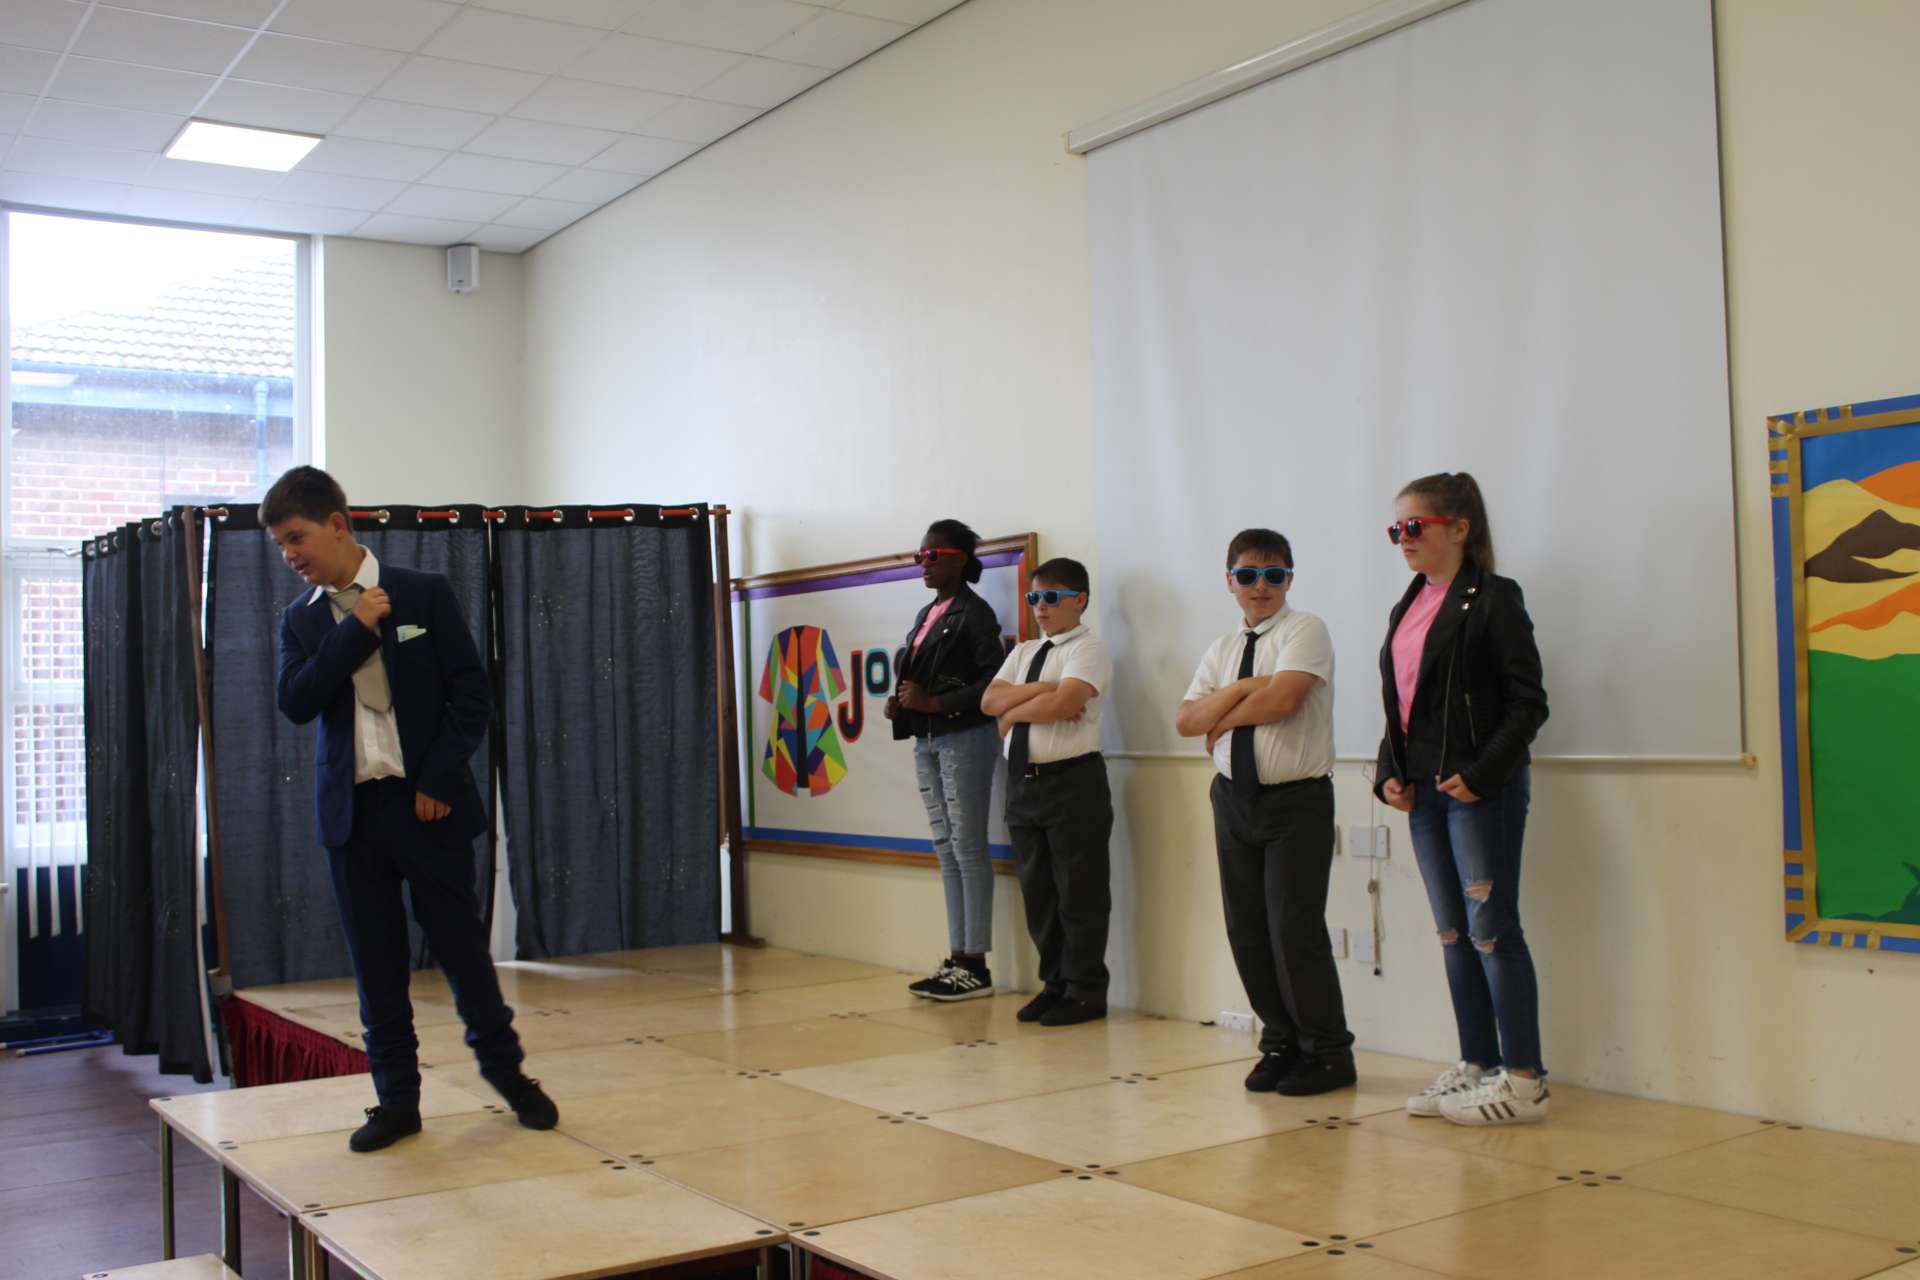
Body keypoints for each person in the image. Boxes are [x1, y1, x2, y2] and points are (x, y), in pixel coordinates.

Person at [264, 467, 556, 1152]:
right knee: (377, 968)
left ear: (338, 524)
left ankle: (511, 1078)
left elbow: (471, 692)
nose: (290, 555)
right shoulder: (301, 619)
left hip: (428, 806)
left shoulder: (424, 591)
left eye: (297, 537)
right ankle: (397, 1103)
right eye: (280, 546)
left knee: (463, 955)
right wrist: (356, 629)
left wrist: (439, 779)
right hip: (352, 817)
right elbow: (297, 702)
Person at [1375, 472, 1551, 1126]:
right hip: (1425, 793)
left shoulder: (1495, 599)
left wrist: (1481, 774)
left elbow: (1528, 704)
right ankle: (1477, 1064)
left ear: (1458, 528)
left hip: (1480, 792)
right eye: (1395, 529)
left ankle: (1525, 1081)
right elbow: (1405, 704)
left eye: (1413, 526)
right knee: (1454, 934)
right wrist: (1390, 772)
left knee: (1492, 932)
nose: (1403, 539)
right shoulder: (1408, 604)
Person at [1177, 529, 1356, 1096]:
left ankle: (1327, 1052)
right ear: (1229, 580)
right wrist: (1246, 687)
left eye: (1274, 575)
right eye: (1248, 575)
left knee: (1292, 929)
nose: (1261, 586)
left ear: (1289, 579)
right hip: (1234, 799)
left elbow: (1284, 700)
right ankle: (1279, 1042)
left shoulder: (1305, 630)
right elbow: (1185, 721)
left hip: (1295, 801)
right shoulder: (1222, 649)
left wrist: (1223, 714)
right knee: (1247, 929)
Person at [980, 557, 1113, 1026]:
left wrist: (1015, 712)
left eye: (1051, 598)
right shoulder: (1024, 652)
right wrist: (1041, 691)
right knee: (1039, 894)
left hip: (1072, 781)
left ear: (1080, 600)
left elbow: (1066, 702)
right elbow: (989, 701)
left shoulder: (1088, 649)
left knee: (1079, 892)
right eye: (1034, 597)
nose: (1040, 607)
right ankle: (1054, 984)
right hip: (1024, 784)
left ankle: (1085, 990)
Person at [885, 519, 1007, 1001]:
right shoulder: (928, 612)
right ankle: (957, 957)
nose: (924, 564)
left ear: (960, 559)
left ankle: (976, 963)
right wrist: (904, 704)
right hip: (929, 739)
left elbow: (994, 684)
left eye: (933, 556)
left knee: (968, 847)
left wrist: (935, 703)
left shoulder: (975, 613)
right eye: (920, 556)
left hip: (965, 737)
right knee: (946, 847)